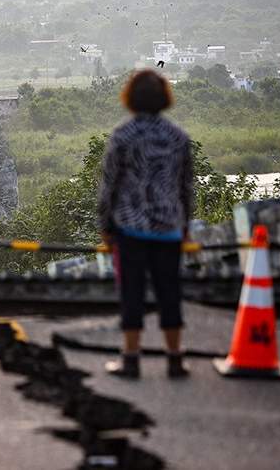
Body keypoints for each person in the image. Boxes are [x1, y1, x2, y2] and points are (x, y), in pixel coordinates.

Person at [98, 69, 194, 379]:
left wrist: (106, 226)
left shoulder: (122, 136)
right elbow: (186, 188)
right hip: (168, 228)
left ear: (131, 98)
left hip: (131, 228)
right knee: (170, 291)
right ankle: (175, 358)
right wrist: (185, 225)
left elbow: (109, 186)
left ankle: (131, 359)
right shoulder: (178, 137)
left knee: (132, 293)